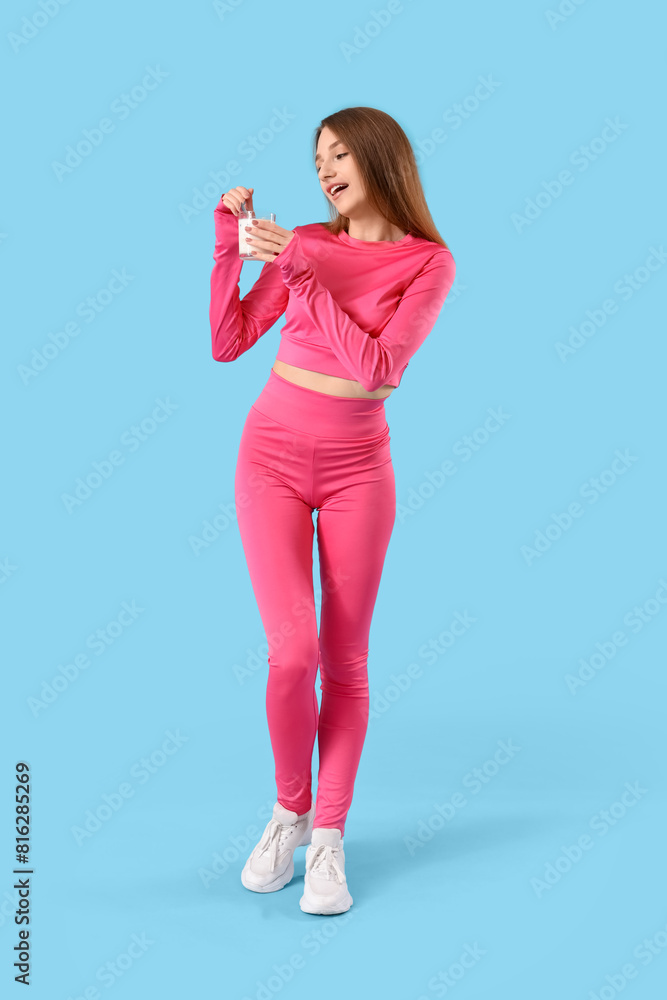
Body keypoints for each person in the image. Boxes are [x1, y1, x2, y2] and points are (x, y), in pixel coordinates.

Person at [209, 106, 456, 915]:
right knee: (293, 654)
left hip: (359, 470)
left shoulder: (429, 263)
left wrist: (307, 277)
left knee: (345, 663)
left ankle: (329, 841)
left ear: (382, 159)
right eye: (317, 157)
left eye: (340, 152)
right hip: (271, 455)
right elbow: (230, 337)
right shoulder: (305, 244)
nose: (324, 168)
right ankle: (290, 811)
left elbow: (381, 369)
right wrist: (227, 242)